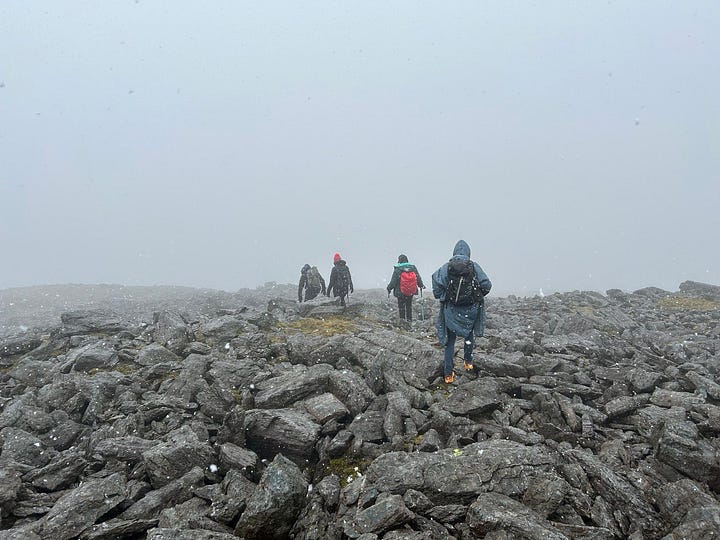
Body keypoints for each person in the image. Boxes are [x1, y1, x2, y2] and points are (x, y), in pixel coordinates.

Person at [432, 240, 491, 384]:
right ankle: (468, 362)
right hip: (470, 310)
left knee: (450, 342)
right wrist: (476, 296)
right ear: (468, 252)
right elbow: (487, 285)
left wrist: (444, 295)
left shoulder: (446, 267)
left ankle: (448, 374)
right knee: (468, 336)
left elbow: (436, 286)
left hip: (450, 310)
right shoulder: (474, 266)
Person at [386, 254, 425, 321]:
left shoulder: (398, 269)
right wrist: (421, 285)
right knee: (409, 306)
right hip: (410, 291)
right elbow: (418, 277)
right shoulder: (413, 268)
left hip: (400, 291)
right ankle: (409, 321)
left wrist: (389, 288)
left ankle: (402, 321)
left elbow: (393, 281)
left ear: (399, 261)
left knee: (401, 307)